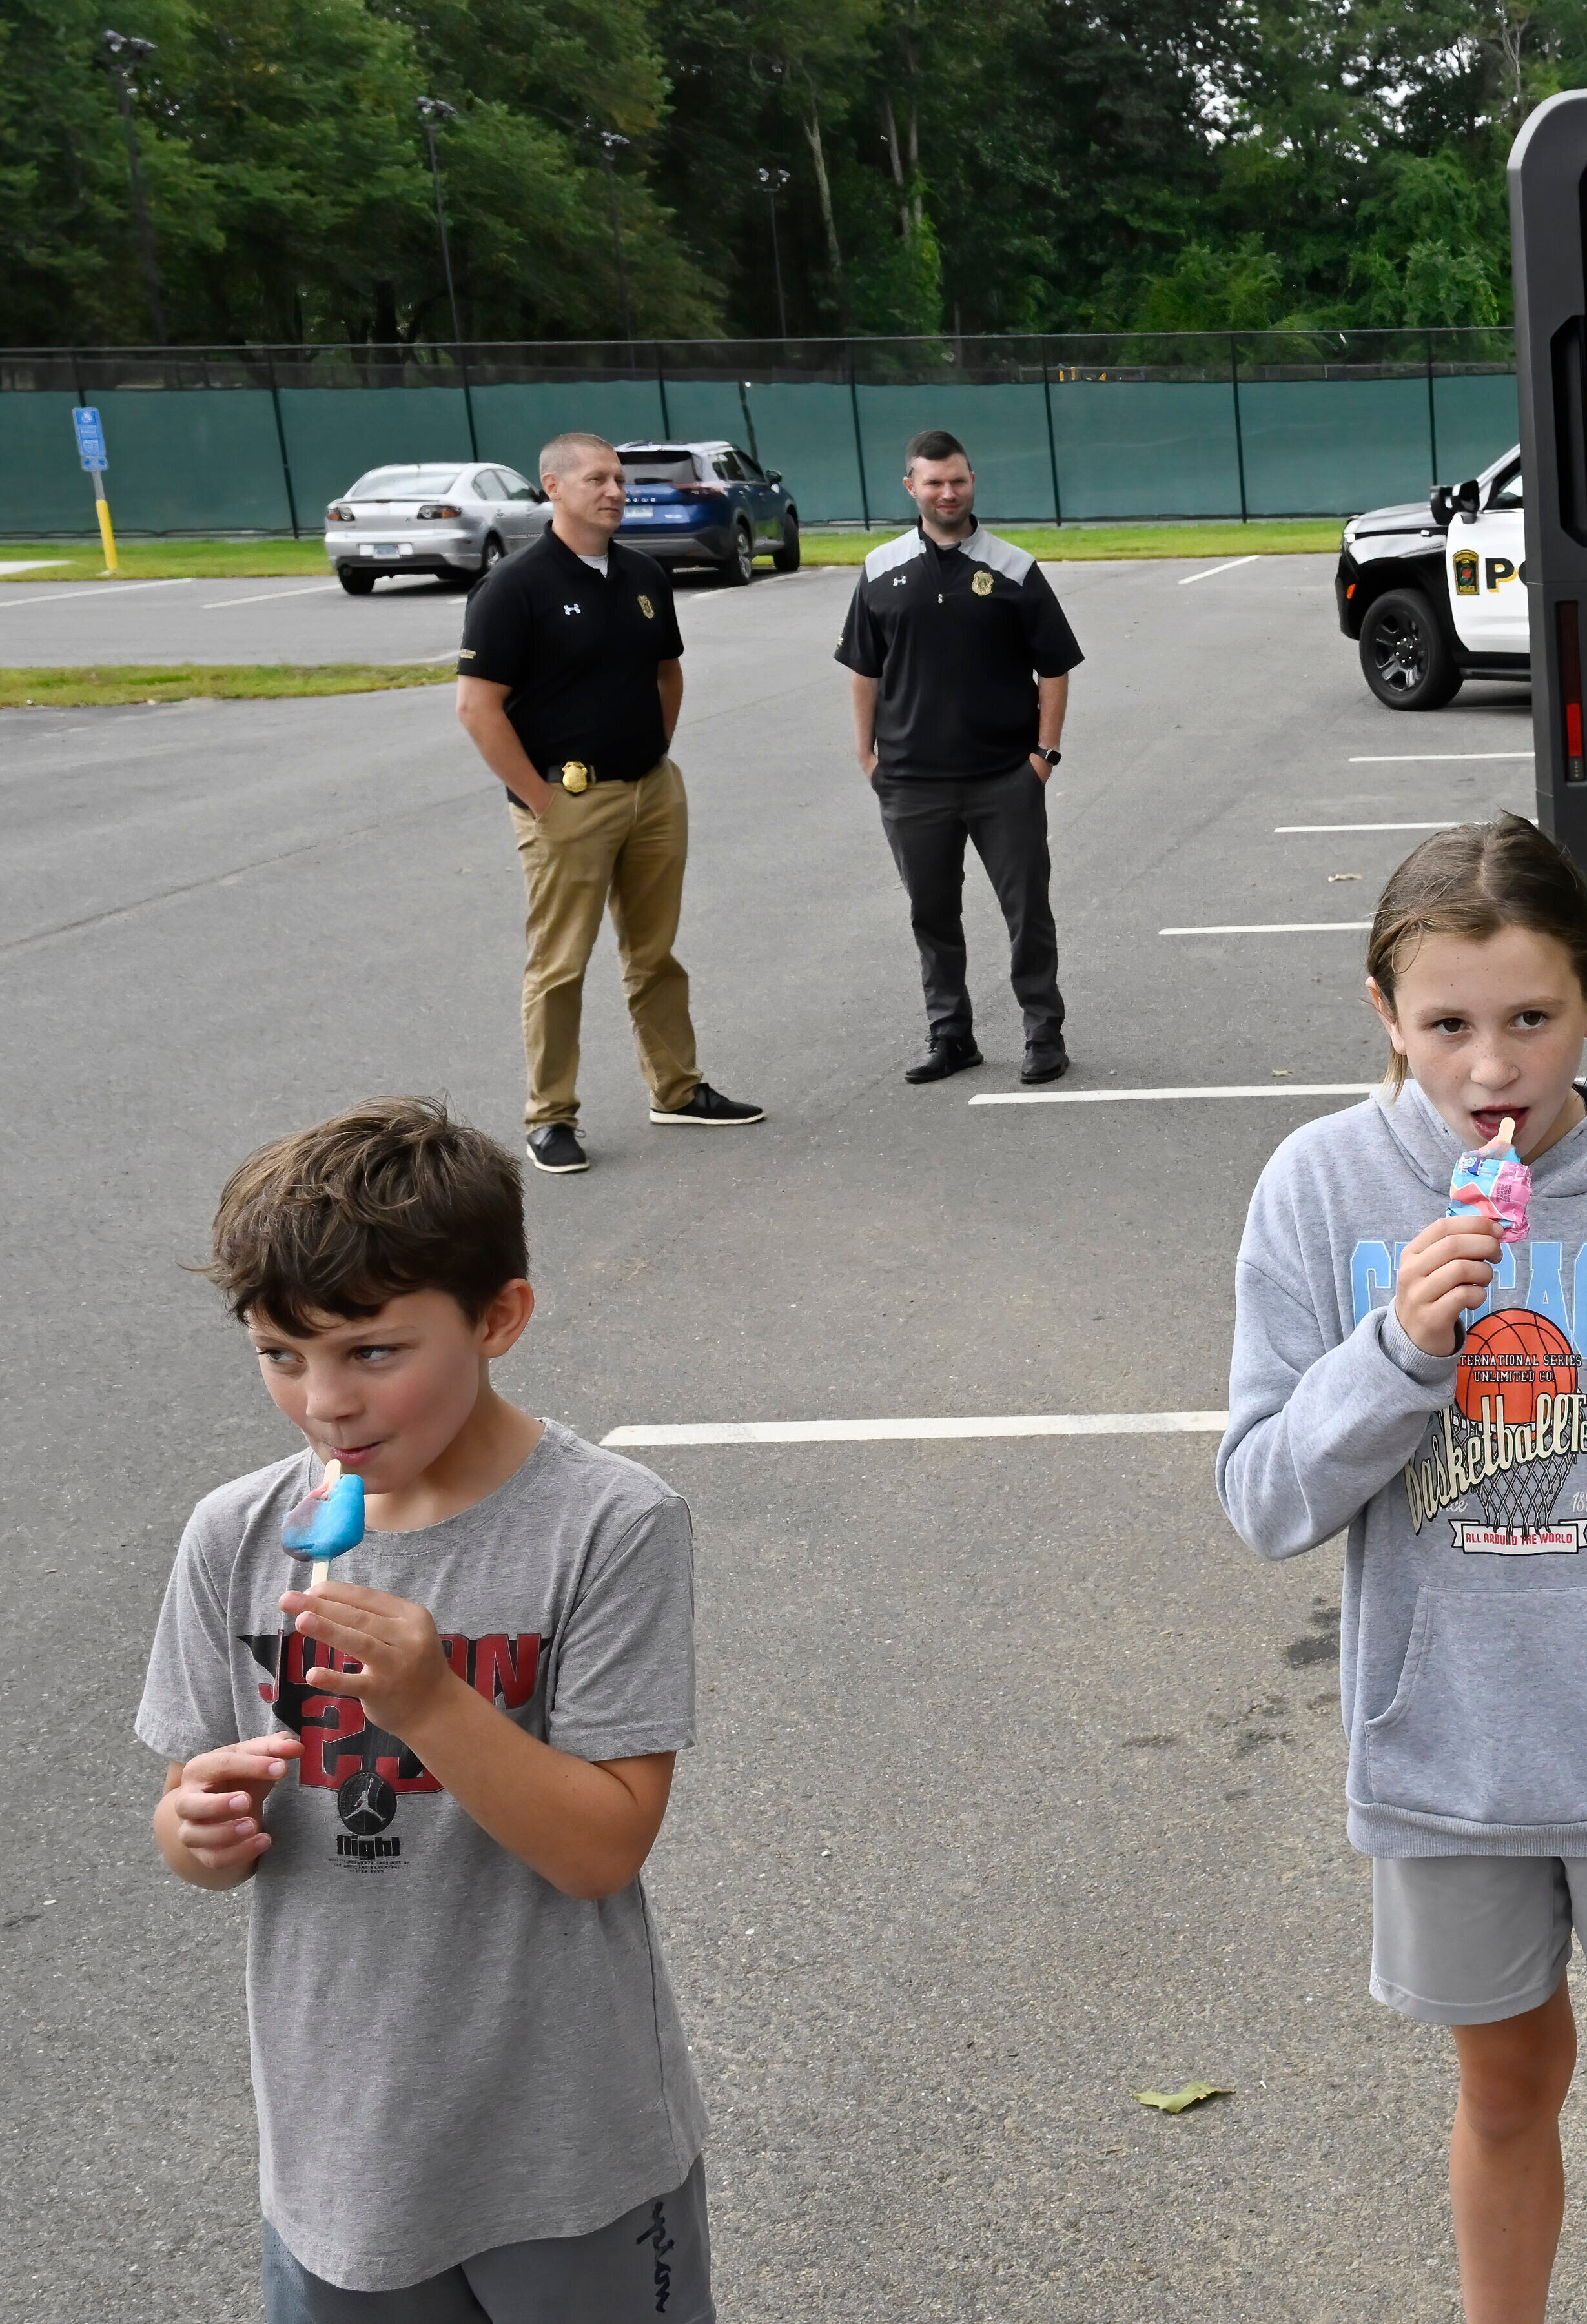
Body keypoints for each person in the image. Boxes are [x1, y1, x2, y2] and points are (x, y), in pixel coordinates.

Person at [1214, 815, 1587, 2323]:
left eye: (1533, 1018)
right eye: (1447, 1027)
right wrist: (1399, 1349)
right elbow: (1266, 1500)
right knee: (1504, 2086)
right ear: (1384, 1015)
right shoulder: (1322, 1186)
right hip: (1447, 1760)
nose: (1493, 1068)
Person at [136, 1097, 713, 2321]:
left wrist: (433, 1701)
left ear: (497, 1318)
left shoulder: (609, 1525)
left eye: (372, 1353)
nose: (325, 1404)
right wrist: (195, 1834)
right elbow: (191, 1806)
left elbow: (601, 1850)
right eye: (280, 1356)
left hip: (570, 2146)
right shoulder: (236, 1535)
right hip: (341, 2151)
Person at [455, 429, 763, 1176]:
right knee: (560, 965)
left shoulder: (643, 575)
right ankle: (550, 1117)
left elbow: (667, 674)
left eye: (619, 479)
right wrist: (540, 800)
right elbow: (477, 707)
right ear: (553, 487)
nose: (616, 491)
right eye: (598, 479)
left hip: (651, 792)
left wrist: (653, 757)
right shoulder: (515, 588)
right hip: (566, 800)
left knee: (655, 955)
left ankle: (677, 1089)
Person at [836, 428, 1086, 1085]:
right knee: (932, 916)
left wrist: (1044, 755)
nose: (947, 493)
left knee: (1027, 914)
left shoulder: (1014, 568)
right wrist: (866, 757)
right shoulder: (880, 569)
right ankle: (951, 1036)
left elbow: (1054, 668)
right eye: (934, 482)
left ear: (972, 481)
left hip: (1004, 779)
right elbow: (864, 670)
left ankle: (1043, 1034)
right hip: (911, 784)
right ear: (911, 487)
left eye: (958, 480)